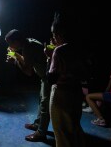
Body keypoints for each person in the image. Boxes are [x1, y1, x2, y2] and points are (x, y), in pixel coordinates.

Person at [47, 11, 86, 147]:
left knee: (61, 132)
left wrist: (49, 57)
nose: (53, 38)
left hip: (61, 95)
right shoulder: (80, 47)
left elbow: (51, 78)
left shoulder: (59, 51)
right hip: (76, 92)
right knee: (73, 127)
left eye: (54, 34)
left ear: (60, 34)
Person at [5, 29, 51, 141]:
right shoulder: (28, 43)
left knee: (45, 104)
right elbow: (26, 60)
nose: (9, 46)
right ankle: (37, 124)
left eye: (10, 43)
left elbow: (28, 71)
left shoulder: (28, 47)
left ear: (16, 41)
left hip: (49, 77)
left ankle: (41, 133)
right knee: (42, 100)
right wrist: (16, 55)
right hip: (45, 76)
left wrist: (15, 60)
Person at [85, 60, 111, 126]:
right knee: (101, 98)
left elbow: (109, 87)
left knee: (88, 97)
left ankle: (101, 119)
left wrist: (103, 94)